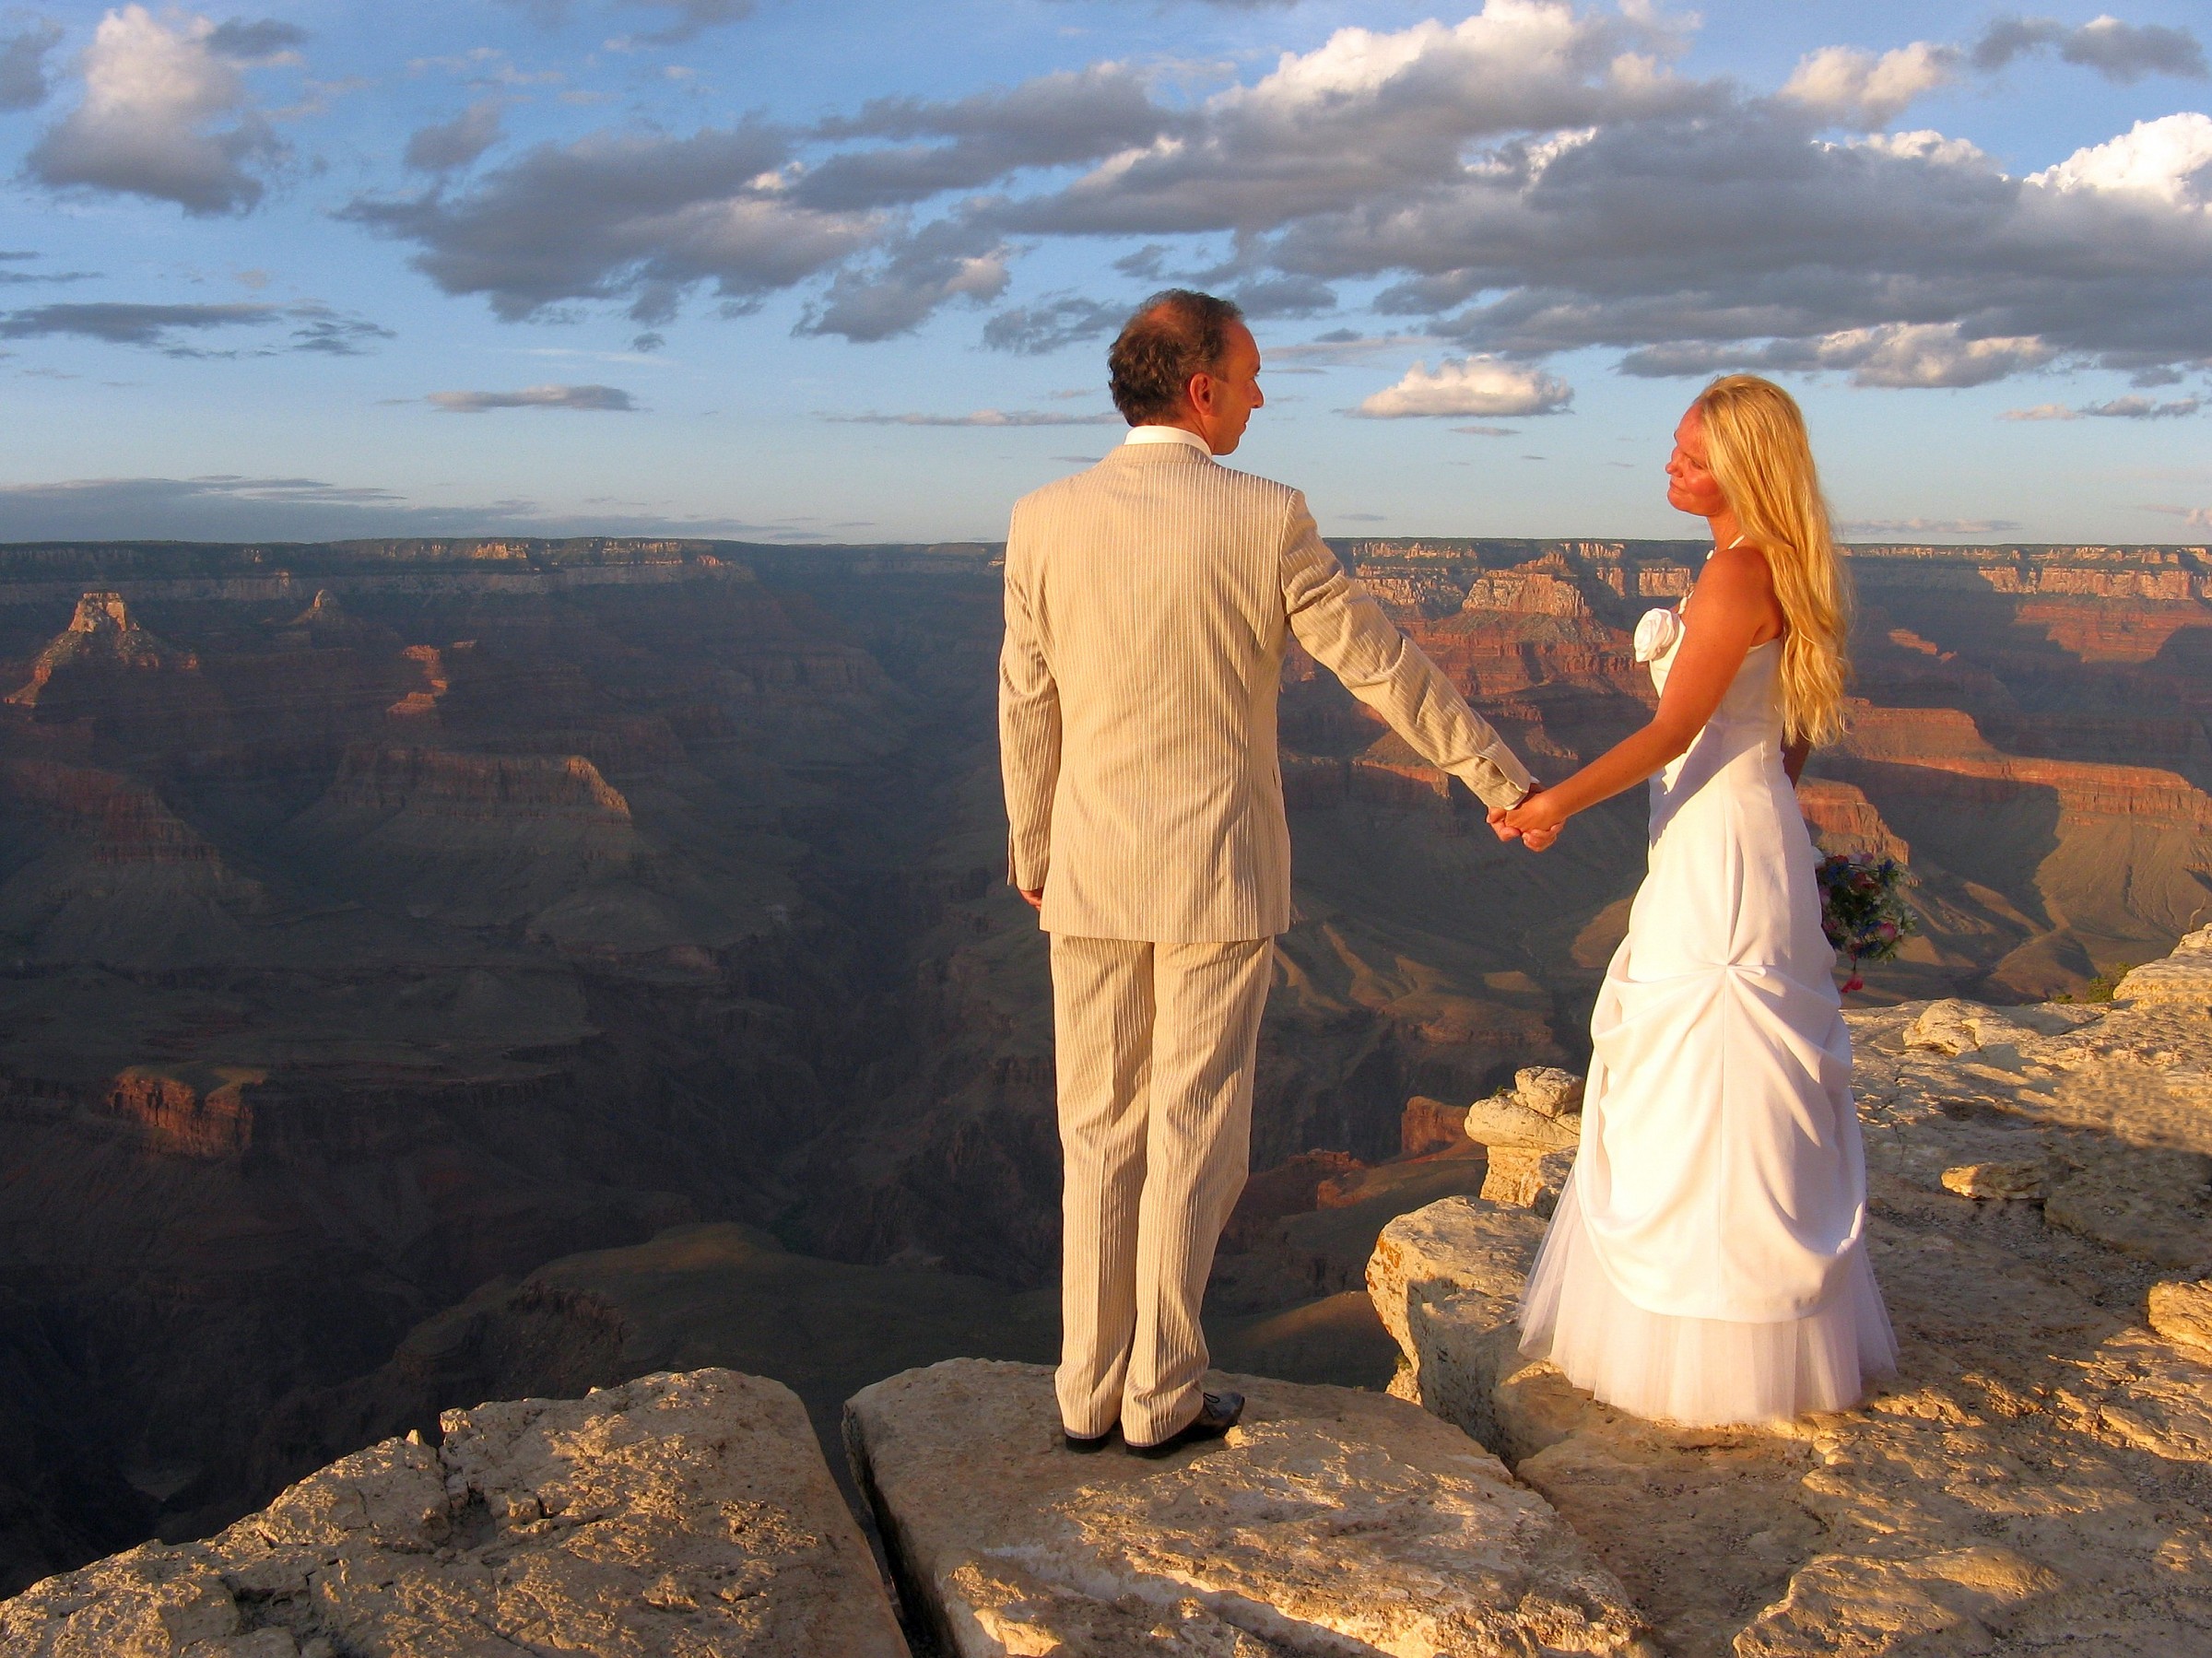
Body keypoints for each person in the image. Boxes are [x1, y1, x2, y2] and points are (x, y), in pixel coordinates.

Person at [999, 290, 1544, 1456]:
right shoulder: (1264, 516)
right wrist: (1498, 777)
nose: (1259, 396)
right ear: (1199, 389)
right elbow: (1380, 666)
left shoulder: (1043, 517)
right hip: (1216, 871)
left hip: (1091, 867)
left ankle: (1084, 1392)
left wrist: (1033, 845)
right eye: (1250, 376)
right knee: (1195, 1128)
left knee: (1096, 1129)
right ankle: (1162, 1394)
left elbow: (1025, 696)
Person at [1495, 373, 1897, 1426]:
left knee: (1700, 1070)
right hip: (1754, 827)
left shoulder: (1733, 576)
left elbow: (1673, 734)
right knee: (1744, 1083)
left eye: (1691, 451)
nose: (1670, 464)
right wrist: (1765, 820)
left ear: (1744, 466)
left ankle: (1702, 1349)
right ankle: (1765, 1341)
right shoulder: (1782, 568)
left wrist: (1552, 805)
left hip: (1717, 847)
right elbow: (1791, 731)